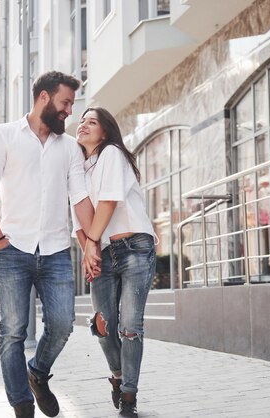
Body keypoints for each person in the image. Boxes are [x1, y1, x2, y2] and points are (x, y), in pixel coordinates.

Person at [0, 71, 95, 418]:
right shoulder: (3, 136)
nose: (69, 111)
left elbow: (81, 198)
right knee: (12, 332)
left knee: (62, 324)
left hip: (57, 249)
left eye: (71, 104)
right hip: (13, 248)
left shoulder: (70, 147)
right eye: (65, 103)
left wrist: (93, 243)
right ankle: (22, 405)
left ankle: (37, 373)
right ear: (44, 97)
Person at [74, 107, 156, 418]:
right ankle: (119, 377)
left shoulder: (111, 153)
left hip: (134, 246)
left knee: (130, 327)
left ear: (105, 132)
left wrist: (92, 244)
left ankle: (129, 398)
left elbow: (108, 202)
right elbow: (78, 221)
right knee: (102, 324)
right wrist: (88, 250)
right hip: (101, 253)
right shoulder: (79, 169)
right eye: (81, 121)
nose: (83, 125)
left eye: (91, 122)